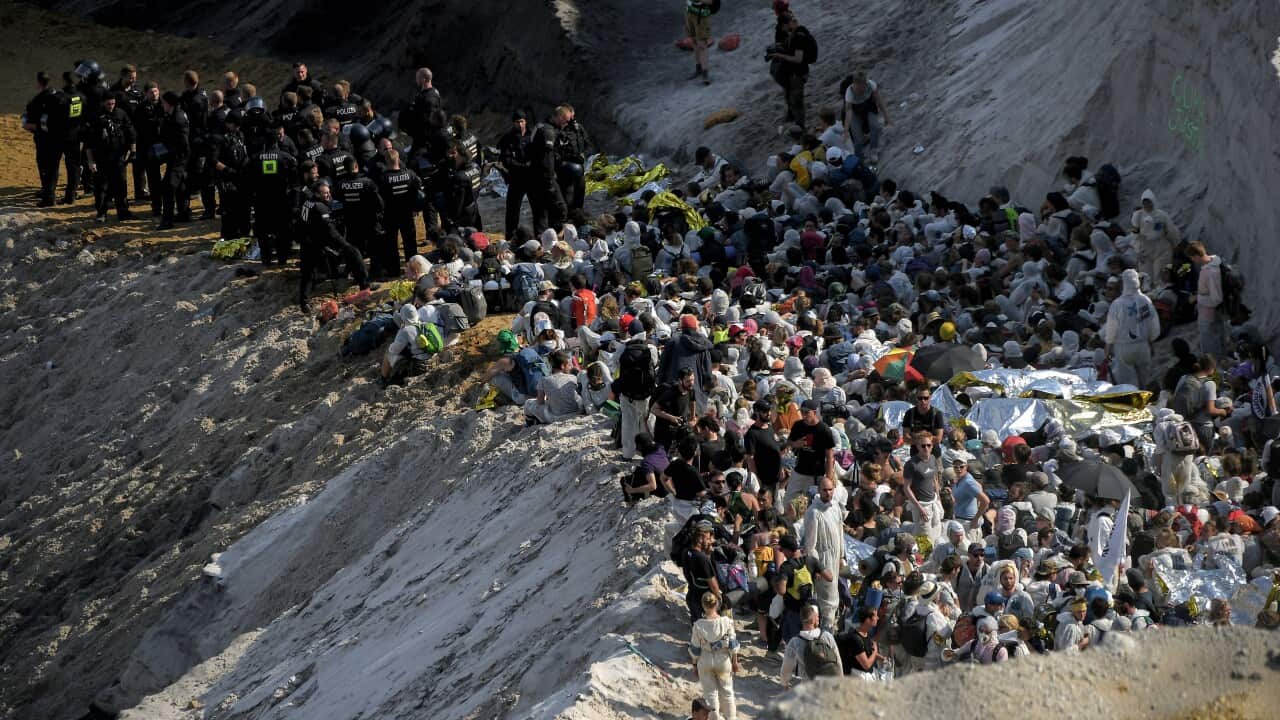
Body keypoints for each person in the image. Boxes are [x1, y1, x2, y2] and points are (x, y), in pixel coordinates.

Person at [298, 181, 370, 311]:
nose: (328, 195)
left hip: (307, 242)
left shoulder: (307, 203)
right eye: (325, 193)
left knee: (307, 272)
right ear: (317, 194)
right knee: (353, 253)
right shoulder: (321, 208)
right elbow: (331, 231)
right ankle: (365, 287)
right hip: (320, 244)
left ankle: (304, 302)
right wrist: (345, 245)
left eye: (328, 192)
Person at [245, 131, 297, 265]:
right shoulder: (286, 157)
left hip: (262, 200)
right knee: (282, 229)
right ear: (277, 141)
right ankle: (282, 257)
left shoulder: (254, 158)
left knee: (263, 230)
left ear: (264, 142)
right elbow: (295, 179)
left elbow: (246, 178)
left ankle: (266, 257)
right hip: (281, 200)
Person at [1104, 268, 1160, 388]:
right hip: (1143, 346)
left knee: (1128, 385)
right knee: (1144, 381)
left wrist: (1108, 346)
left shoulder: (1117, 304)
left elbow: (1111, 328)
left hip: (1123, 347)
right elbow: (1153, 323)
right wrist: (1150, 341)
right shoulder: (1145, 300)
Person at [688, 592, 740, 720]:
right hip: (723, 659)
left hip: (705, 660)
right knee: (727, 692)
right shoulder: (727, 622)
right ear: (717, 604)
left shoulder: (698, 625)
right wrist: (735, 662)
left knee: (710, 694)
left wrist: (694, 665)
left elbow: (695, 649)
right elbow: (733, 645)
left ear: (703, 606)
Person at [803, 477, 844, 630]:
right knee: (828, 598)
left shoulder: (836, 508)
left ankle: (828, 629)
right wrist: (816, 567)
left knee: (834, 595)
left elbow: (840, 533)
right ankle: (826, 632)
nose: (828, 493)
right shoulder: (814, 512)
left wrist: (842, 556)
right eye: (825, 490)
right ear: (819, 491)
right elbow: (810, 544)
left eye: (830, 489)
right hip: (823, 559)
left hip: (835, 557)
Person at [24, 71, 67, 207]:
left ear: (38, 83)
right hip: (60, 138)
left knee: (44, 166)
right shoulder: (60, 96)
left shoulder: (36, 102)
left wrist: (28, 125)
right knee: (54, 167)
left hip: (44, 139)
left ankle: (48, 196)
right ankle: (49, 192)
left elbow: (29, 124)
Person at [768, 13, 818, 128]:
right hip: (791, 73)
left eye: (792, 21)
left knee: (797, 101)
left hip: (798, 74)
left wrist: (780, 55)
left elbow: (798, 59)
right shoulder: (786, 33)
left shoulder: (798, 37)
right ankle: (792, 115)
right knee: (789, 94)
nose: (793, 22)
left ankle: (800, 127)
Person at [784, 400, 835, 507]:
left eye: (807, 412)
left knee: (813, 505)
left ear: (815, 412)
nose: (803, 415)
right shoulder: (798, 425)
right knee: (788, 502)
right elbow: (789, 441)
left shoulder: (824, 430)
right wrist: (795, 444)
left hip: (816, 475)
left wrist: (829, 478)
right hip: (799, 471)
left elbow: (830, 456)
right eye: (802, 412)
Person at [780, 603, 842, 690]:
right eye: (817, 617)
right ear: (814, 620)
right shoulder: (827, 636)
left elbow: (787, 667)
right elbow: (838, 661)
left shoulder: (795, 642)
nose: (818, 619)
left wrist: (785, 682)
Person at [1130, 189, 1180, 288]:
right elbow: (1134, 234)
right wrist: (1137, 250)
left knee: (1160, 277)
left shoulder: (1161, 215)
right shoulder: (1137, 216)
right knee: (1145, 279)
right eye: (1145, 202)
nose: (1147, 205)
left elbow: (1171, 231)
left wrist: (1175, 244)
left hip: (1161, 248)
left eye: (1149, 202)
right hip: (1145, 248)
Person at [381, 304, 441, 386]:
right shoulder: (426, 325)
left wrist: (400, 332)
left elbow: (394, 350)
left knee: (388, 352)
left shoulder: (405, 331)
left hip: (419, 367)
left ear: (403, 316)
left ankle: (383, 380)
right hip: (433, 361)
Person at [156, 91, 191, 229]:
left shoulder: (177, 118)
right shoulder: (175, 114)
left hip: (179, 157)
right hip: (178, 156)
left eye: (164, 103)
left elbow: (182, 143)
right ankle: (183, 212)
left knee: (168, 186)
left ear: (169, 104)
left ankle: (167, 220)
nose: (162, 105)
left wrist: (169, 152)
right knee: (180, 184)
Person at [1187, 241, 1228, 358]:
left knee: (1210, 345)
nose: (1192, 261)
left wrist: (1197, 298)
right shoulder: (1215, 262)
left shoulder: (1210, 272)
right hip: (1214, 312)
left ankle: (1216, 366)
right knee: (1219, 338)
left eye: (1192, 258)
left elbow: (1216, 299)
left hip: (1209, 314)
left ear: (1196, 256)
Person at [498, 110, 533, 238]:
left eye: (522, 121)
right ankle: (510, 236)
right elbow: (506, 159)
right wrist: (522, 167)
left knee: (538, 207)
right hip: (516, 178)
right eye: (517, 122)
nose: (520, 124)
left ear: (526, 121)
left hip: (531, 178)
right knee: (512, 210)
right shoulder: (508, 138)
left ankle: (540, 235)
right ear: (513, 123)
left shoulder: (532, 136)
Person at [904, 430, 944, 543]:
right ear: (917, 446)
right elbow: (906, 488)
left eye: (928, 445)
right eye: (923, 446)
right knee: (925, 538)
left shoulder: (932, 459)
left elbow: (934, 479)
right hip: (921, 504)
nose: (926, 448)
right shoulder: (911, 464)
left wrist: (939, 499)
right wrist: (918, 507)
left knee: (937, 534)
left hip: (933, 502)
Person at [523, 350, 581, 425]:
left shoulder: (544, 380)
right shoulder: (573, 377)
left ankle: (529, 423)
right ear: (563, 366)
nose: (571, 367)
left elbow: (540, 402)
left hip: (556, 417)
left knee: (528, 403)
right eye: (569, 365)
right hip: (576, 413)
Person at [843, 70, 889, 161]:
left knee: (875, 126)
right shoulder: (849, 93)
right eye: (858, 88)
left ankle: (874, 150)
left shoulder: (871, 85)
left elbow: (879, 101)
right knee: (858, 138)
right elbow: (848, 112)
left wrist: (886, 116)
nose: (861, 90)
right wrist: (845, 130)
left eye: (863, 87)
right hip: (855, 111)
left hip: (868, 107)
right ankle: (859, 157)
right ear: (854, 84)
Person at [552, 104, 591, 211]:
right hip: (564, 168)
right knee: (566, 199)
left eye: (572, 116)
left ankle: (578, 215)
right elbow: (555, 152)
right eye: (569, 117)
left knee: (579, 198)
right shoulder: (557, 130)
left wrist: (584, 154)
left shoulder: (578, 128)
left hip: (579, 169)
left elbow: (588, 144)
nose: (572, 119)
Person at [401, 67, 443, 155]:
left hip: (424, 137)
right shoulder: (435, 92)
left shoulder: (427, 98)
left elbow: (427, 120)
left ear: (423, 80)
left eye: (417, 78)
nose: (416, 80)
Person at [838, 606, 882, 675]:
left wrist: (882, 658)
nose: (878, 618)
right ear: (867, 620)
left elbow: (868, 651)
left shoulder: (866, 634)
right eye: (876, 616)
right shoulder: (856, 639)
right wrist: (875, 651)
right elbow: (866, 665)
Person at [685, 0, 714, 84]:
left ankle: (705, 73)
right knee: (693, 42)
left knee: (702, 45)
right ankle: (699, 69)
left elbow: (710, 1)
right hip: (689, 12)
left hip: (701, 17)